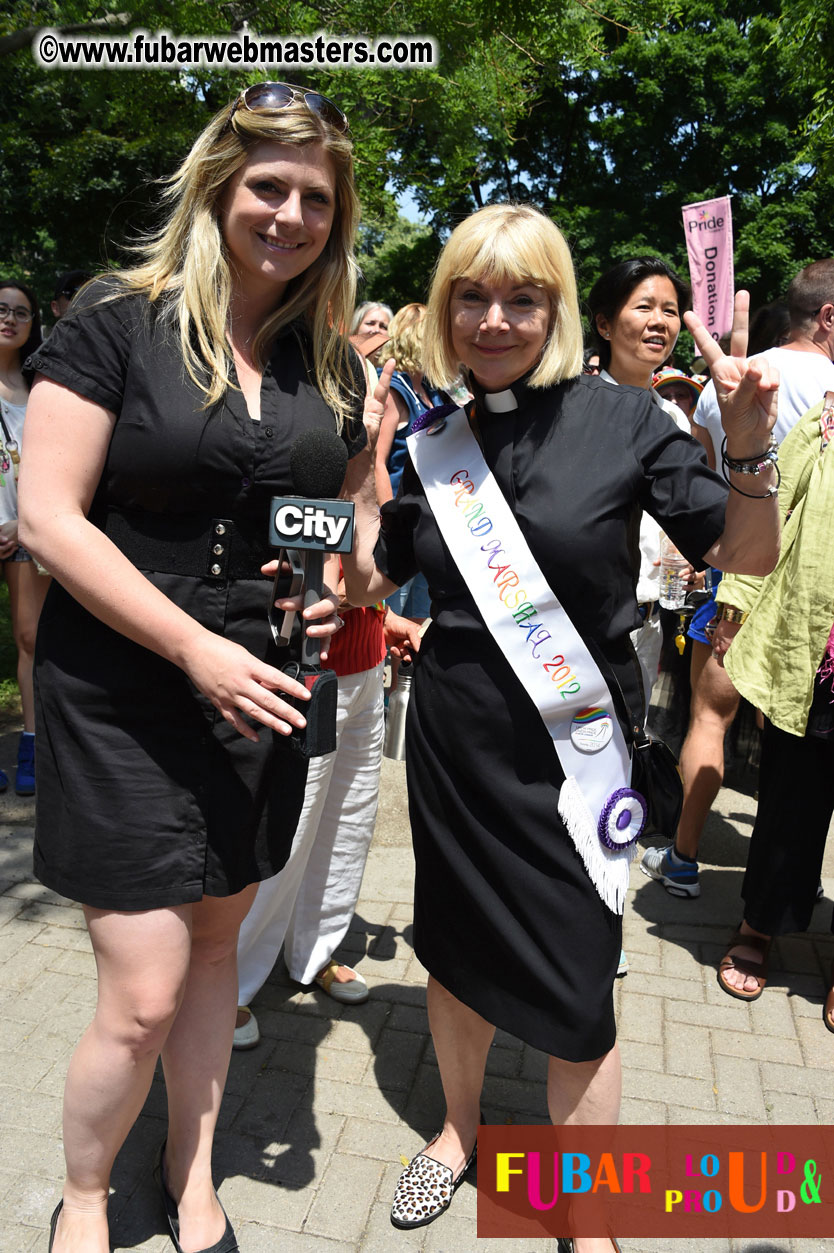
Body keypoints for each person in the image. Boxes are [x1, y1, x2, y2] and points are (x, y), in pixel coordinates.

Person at [343, 203, 781, 1247]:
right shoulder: (435, 434)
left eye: (523, 297)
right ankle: (457, 1134)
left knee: (581, 976)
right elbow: (371, 574)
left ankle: (585, 1207)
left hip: (578, 755)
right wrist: (366, 467)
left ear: (559, 306)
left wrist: (751, 450)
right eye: (472, 296)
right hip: (455, 746)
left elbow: (749, 554)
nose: (495, 318)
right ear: (446, 309)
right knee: (454, 950)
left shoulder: (626, 421)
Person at [19, 81, 369, 1253]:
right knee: (145, 988)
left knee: (218, 945)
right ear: (220, 185)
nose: (289, 212)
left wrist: (334, 587)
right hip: (125, 678)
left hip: (261, 682)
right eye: (268, 185)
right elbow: (50, 520)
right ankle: (81, 1196)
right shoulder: (118, 319)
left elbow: (321, 518)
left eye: (314, 196)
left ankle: (192, 1175)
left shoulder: (329, 360)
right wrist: (192, 643)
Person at [642, 265, 834, 898]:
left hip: (731, 572)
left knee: (709, 719)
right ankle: (771, 882)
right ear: (827, 317)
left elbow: (697, 479)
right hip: (813, 596)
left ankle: (685, 858)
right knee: (801, 746)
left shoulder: (728, 370)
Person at [233, 597, 421, 1048]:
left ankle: (314, 953)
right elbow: (328, 571)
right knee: (288, 833)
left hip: (366, 667)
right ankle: (228, 981)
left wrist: (382, 619)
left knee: (346, 827)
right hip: (307, 665)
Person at [711, 392, 834, 1019]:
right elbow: (772, 513)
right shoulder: (826, 421)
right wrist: (734, 603)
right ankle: (758, 925)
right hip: (819, 659)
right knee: (790, 805)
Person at [586, 257, 696, 711]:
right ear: (605, 325)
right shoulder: (573, 409)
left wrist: (694, 555)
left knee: (630, 753)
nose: (659, 322)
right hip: (579, 623)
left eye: (670, 311)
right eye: (644, 307)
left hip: (649, 620)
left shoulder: (672, 418)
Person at [0, 278, 49, 795]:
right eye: (1, 309)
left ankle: (30, 746)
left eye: (21, 312)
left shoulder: (43, 386)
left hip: (25, 527)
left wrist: (23, 520)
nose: (10, 318)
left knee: (31, 637)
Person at [374, 302, 449, 625]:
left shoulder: (434, 391)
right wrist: (388, 518)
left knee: (420, 620)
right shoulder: (394, 389)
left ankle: (406, 678)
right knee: (390, 620)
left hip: (430, 524)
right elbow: (377, 460)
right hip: (399, 524)